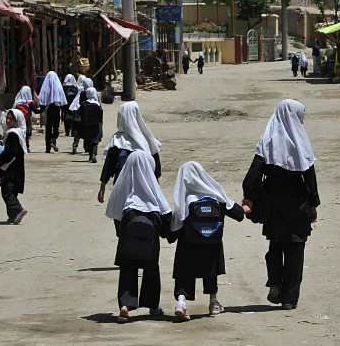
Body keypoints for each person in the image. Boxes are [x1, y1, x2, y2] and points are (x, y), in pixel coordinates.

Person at [241, 99, 320, 311]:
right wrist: (314, 205)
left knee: (275, 245)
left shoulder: (267, 141)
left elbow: (252, 177)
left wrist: (249, 198)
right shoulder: (301, 142)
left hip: (273, 203)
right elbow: (310, 179)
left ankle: (275, 282)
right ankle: (289, 299)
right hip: (298, 204)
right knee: (295, 250)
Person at [169, 161, 245, 321]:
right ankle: (214, 303)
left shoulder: (186, 199)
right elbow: (238, 214)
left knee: (184, 269)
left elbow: (176, 224)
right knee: (211, 268)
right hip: (212, 244)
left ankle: (181, 302)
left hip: (188, 244)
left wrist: (169, 235)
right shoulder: (215, 195)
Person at [104, 150, 172, 323]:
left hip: (128, 240)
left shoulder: (123, 189)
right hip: (150, 243)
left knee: (127, 269)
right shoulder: (152, 190)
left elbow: (115, 214)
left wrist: (123, 235)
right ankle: (153, 306)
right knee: (152, 269)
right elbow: (166, 215)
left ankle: (125, 307)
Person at [98, 101, 162, 204]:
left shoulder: (117, 140)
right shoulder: (147, 139)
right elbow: (156, 169)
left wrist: (102, 187)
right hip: (145, 189)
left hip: (122, 189)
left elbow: (109, 166)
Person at [0, 110, 28, 224]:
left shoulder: (13, 134)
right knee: (12, 191)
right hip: (16, 167)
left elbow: (10, 152)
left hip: (10, 168)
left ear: (16, 121)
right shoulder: (16, 132)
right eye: (7, 118)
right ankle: (13, 216)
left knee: (7, 192)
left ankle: (18, 210)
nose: (8, 121)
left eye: (11, 119)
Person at [38, 71, 67, 153]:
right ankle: (53, 140)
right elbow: (63, 101)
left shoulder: (44, 88)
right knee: (55, 128)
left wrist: (41, 111)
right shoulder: (58, 88)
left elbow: (41, 101)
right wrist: (63, 111)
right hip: (56, 111)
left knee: (48, 129)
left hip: (48, 112)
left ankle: (48, 148)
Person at [12, 86, 40, 153]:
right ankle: (26, 147)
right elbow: (35, 111)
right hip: (26, 121)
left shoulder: (17, 102)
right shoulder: (29, 103)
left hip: (18, 121)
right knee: (26, 135)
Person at [79, 87, 103, 163]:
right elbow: (100, 114)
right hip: (95, 125)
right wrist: (100, 121)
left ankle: (90, 155)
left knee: (89, 140)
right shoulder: (97, 104)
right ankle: (94, 153)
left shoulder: (84, 104)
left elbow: (79, 113)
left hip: (86, 125)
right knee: (95, 140)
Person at [68, 75, 88, 154]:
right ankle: (86, 147)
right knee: (86, 128)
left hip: (77, 112)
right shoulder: (87, 90)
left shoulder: (76, 89)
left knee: (77, 128)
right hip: (85, 112)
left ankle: (75, 144)